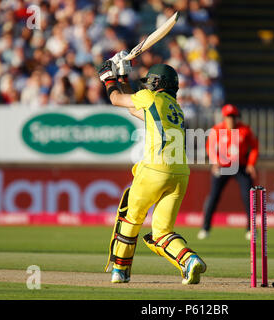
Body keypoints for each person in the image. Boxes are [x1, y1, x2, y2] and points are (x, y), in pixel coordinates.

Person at [97, 52, 206, 285]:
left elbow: (117, 99)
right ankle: (190, 261)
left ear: (157, 83)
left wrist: (108, 77)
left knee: (131, 217)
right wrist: (123, 75)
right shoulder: (175, 108)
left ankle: (120, 271)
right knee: (162, 231)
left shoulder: (149, 98)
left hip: (154, 170)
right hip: (180, 174)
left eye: (150, 82)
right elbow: (133, 107)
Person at [198, 104, 259, 240]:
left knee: (248, 197)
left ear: (236, 117)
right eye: (228, 117)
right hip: (222, 167)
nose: (231, 119)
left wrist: (251, 164)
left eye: (233, 117)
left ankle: (251, 229)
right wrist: (215, 162)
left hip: (241, 166)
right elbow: (210, 148)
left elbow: (254, 147)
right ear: (224, 117)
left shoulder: (245, 130)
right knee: (214, 196)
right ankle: (205, 228)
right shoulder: (217, 130)